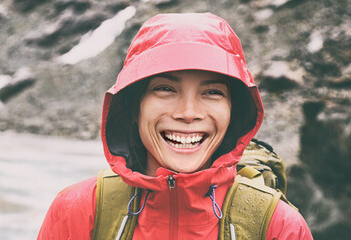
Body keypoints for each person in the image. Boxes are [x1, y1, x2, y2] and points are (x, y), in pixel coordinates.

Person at [37, 13, 312, 239]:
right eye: (166, 89)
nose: (188, 113)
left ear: (234, 113)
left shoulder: (280, 227)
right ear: (134, 107)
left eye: (212, 92)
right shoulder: (78, 211)